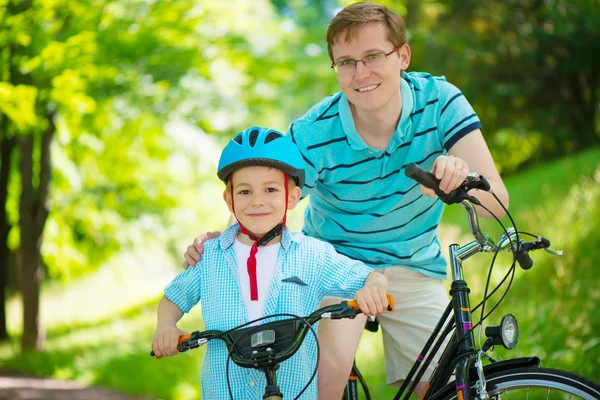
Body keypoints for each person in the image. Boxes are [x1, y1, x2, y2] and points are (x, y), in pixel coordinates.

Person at [183, 2, 509, 399]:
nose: (361, 73)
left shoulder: (440, 102)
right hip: (335, 264)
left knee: (444, 385)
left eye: (374, 56)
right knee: (324, 377)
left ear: (402, 55)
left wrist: (460, 181)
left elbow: (497, 198)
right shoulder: (315, 132)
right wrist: (225, 242)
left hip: (414, 261)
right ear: (335, 69)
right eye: (347, 62)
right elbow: (267, 204)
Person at [152, 126, 390, 399]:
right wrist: (166, 326)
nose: (258, 201)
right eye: (244, 192)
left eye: (270, 189)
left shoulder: (312, 255)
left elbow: (370, 277)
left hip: (293, 390)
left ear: (291, 197)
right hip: (226, 391)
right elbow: (173, 299)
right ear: (229, 199)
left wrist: (374, 287)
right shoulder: (210, 256)